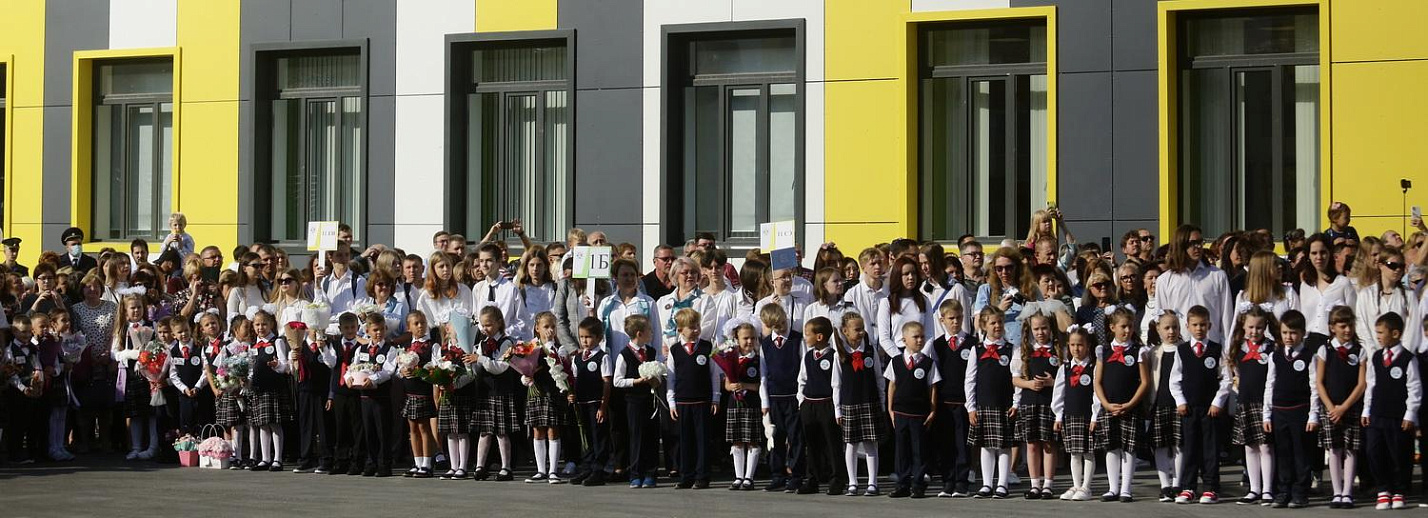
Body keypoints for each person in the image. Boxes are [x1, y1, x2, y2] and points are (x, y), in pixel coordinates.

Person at [1170, 306, 1232, 505]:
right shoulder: (1182, 351)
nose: (1199, 329)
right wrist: (1180, 401)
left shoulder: (1216, 349)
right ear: (1187, 326)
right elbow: (1174, 380)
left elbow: (1226, 379)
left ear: (1209, 326)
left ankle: (1210, 487)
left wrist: (1217, 402)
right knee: (1190, 448)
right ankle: (1188, 487)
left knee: (1210, 449)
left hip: (1210, 409)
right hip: (1189, 409)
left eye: (1203, 325)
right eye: (1195, 325)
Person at [1361, 312, 1420, 510]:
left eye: (1381, 332)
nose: (1377, 336)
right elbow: (1371, 384)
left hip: (1397, 417)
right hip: (1377, 414)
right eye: (1376, 332)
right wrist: (1366, 410)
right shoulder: (1377, 357)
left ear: (1395, 334)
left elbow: (1414, 388)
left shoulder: (1408, 359)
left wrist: (1410, 413)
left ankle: (1399, 490)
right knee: (1374, 451)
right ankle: (1383, 489)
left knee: (1398, 454)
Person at [1262, 310, 1319, 509]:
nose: (1288, 337)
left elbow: (1314, 387)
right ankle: (1283, 490)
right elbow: (1269, 384)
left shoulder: (1309, 356)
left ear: (1303, 333)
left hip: (1300, 410)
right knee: (1283, 452)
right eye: (1285, 332)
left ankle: (1300, 491)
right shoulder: (1275, 356)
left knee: (1301, 452)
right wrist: (1266, 414)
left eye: (1293, 332)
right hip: (1279, 411)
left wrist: (1313, 415)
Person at [1093, 307, 1150, 503]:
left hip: (1130, 408)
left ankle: (1126, 488)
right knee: (1111, 447)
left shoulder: (1138, 351)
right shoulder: (1103, 350)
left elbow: (1145, 382)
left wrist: (1131, 404)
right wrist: (1106, 404)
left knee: (1129, 448)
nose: (1127, 330)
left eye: (1130, 326)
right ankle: (1113, 488)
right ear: (1112, 327)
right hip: (1109, 407)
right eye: (1123, 326)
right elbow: (1097, 382)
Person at [1227, 305, 1277, 506]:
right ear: (1244, 326)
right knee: (1249, 446)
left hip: (1264, 404)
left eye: (1259, 327)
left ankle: (1267, 489)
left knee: (1266, 447)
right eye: (1251, 327)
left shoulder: (1271, 348)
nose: (1254, 331)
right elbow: (1235, 373)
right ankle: (1254, 488)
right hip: (1245, 403)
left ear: (1265, 327)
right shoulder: (1239, 348)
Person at [1316, 305, 1366, 509]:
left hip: (1350, 407)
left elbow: (1361, 384)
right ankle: (1337, 492)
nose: (1347, 330)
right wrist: (1331, 408)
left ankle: (1347, 492)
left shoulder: (1359, 351)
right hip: (1330, 408)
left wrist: (1344, 407)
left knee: (1351, 449)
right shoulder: (1325, 350)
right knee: (1334, 449)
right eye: (1342, 326)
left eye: (1350, 325)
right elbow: (1319, 382)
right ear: (1332, 327)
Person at [665, 308, 719, 489]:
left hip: (702, 401)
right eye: (691, 327)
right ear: (680, 330)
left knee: (702, 440)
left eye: (697, 326)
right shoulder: (674, 350)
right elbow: (671, 378)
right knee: (685, 440)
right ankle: (686, 475)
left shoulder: (707, 347)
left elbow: (714, 375)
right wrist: (671, 402)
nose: (696, 330)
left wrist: (716, 398)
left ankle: (702, 476)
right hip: (682, 402)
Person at [965, 306, 1016, 499]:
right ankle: (987, 484)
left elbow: (1017, 377)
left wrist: (1016, 403)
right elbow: (970, 380)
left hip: (1004, 404)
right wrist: (971, 407)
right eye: (993, 322)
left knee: (1004, 445)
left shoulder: (1011, 349)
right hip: (983, 404)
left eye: (1000, 322)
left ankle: (1002, 483)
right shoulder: (977, 349)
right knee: (986, 445)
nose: (997, 326)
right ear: (984, 325)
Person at [1155, 224, 1234, 344]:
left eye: (1200, 242)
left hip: (1211, 346)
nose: (1198, 247)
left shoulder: (1217, 276)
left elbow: (1227, 317)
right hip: (1179, 346)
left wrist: (1226, 348)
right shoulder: (1165, 280)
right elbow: (1161, 318)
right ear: (1181, 245)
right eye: (1192, 243)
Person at [886, 320, 938, 499]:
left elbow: (932, 387)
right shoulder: (896, 362)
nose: (920, 340)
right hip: (900, 412)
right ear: (904, 340)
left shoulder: (928, 363)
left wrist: (932, 410)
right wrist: (890, 409)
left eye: (922, 337)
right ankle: (902, 484)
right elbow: (892, 385)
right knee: (901, 450)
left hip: (919, 413)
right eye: (915, 337)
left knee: (919, 450)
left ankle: (918, 484)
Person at [1011, 311, 1060, 499]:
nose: (1040, 332)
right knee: (1031, 444)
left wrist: (1052, 382)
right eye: (1036, 329)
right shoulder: (1023, 351)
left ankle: (1048, 484)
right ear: (1030, 330)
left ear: (1050, 328)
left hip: (1050, 403)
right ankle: (1035, 484)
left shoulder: (1058, 350)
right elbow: (1015, 379)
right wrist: (1029, 384)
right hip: (1029, 402)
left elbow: (1065, 378)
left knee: (1048, 444)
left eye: (1044, 328)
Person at [467, 306, 519, 481]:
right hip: (485, 392)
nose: (485, 329)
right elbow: (478, 368)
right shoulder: (482, 344)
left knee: (501, 432)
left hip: (501, 391)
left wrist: (480, 359)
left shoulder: (507, 342)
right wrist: (471, 363)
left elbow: (500, 367)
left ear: (499, 323)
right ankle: (480, 466)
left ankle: (506, 467)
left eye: (488, 325)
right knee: (484, 431)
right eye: (483, 325)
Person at [758, 303, 806, 493]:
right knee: (776, 437)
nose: (782, 328)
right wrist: (764, 401)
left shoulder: (797, 340)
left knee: (796, 438)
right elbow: (763, 374)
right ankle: (777, 475)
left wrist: (801, 396)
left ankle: (796, 475)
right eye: (777, 326)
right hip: (774, 397)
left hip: (793, 397)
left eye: (783, 323)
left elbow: (803, 370)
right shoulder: (765, 345)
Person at [837, 312, 884, 496]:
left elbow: (879, 378)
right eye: (857, 329)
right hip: (849, 403)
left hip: (870, 401)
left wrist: (882, 402)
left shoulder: (870, 350)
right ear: (845, 331)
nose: (861, 332)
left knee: (871, 443)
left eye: (862, 328)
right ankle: (853, 482)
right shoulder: (840, 354)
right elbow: (836, 384)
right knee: (851, 444)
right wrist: (837, 409)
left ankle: (873, 482)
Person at [612, 314, 661, 488]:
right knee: (636, 436)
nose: (652, 333)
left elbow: (659, 374)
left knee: (652, 436)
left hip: (650, 399)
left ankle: (651, 473)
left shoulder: (651, 352)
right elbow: (617, 381)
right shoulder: (624, 354)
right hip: (633, 401)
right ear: (639, 333)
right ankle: (635, 473)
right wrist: (636, 381)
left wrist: (656, 380)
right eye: (649, 330)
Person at [1052, 325, 1099, 501]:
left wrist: (1095, 416)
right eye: (1072, 345)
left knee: (1088, 452)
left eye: (1080, 344)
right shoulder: (1064, 368)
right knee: (1073, 452)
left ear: (1087, 346)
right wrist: (1058, 416)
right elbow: (1059, 393)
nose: (1076, 349)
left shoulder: (1094, 367)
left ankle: (1086, 486)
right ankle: (1076, 485)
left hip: (1087, 416)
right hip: (1070, 415)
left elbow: (1097, 394)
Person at [797, 316, 844, 496]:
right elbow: (802, 379)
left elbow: (836, 383)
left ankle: (837, 479)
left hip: (827, 404)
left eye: (807, 334)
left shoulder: (834, 356)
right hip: (809, 405)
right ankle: (813, 479)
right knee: (812, 444)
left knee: (832, 444)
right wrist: (801, 401)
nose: (805, 337)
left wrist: (836, 407)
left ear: (819, 336)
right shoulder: (808, 356)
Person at [930, 300, 971, 497]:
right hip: (944, 402)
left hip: (964, 401)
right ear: (942, 320)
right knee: (945, 442)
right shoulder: (937, 345)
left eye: (959, 318)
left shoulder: (971, 343)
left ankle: (962, 481)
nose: (955, 322)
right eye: (951, 318)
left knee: (962, 443)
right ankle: (948, 480)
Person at [567, 317, 613, 487]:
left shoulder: (603, 357)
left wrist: (603, 406)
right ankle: (587, 467)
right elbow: (574, 379)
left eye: (588, 337)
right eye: (582, 337)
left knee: (598, 436)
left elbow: (607, 382)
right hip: (582, 404)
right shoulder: (577, 358)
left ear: (598, 338)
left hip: (596, 404)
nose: (584, 341)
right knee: (586, 436)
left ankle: (598, 470)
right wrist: (571, 394)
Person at [1144, 312, 1183, 503]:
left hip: (1179, 405)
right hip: (1159, 404)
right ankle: (1165, 485)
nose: (1171, 331)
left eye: (1175, 327)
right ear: (1158, 329)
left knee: (1179, 444)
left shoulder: (1184, 349)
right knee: (1160, 445)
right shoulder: (1153, 353)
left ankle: (1177, 483)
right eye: (1167, 328)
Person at [723, 319, 763, 491]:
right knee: (737, 440)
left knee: (752, 440)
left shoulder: (758, 360)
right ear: (736, 339)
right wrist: (732, 386)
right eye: (745, 338)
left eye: (752, 338)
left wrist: (745, 386)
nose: (749, 341)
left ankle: (749, 477)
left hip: (751, 403)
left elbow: (761, 385)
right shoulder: (731, 359)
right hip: (734, 403)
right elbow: (726, 384)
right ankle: (738, 476)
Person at [397, 313, 438, 478]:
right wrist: (403, 371)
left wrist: (419, 370)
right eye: (416, 323)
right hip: (410, 392)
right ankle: (417, 462)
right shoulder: (406, 346)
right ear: (409, 327)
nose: (420, 326)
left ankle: (427, 464)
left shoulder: (432, 345)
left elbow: (435, 366)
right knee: (412, 428)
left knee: (423, 428)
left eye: (423, 322)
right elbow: (398, 368)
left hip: (423, 391)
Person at [1355, 247, 1417, 351]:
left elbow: (1412, 329)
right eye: (1392, 265)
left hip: (1401, 355)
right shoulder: (1366, 294)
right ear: (1380, 266)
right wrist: (1373, 353)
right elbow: (1362, 328)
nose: (1397, 269)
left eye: (1401, 266)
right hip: (1373, 354)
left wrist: (1402, 355)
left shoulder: (1409, 295)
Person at [1297, 233, 1356, 340]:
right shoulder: (1305, 286)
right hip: (1308, 342)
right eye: (1314, 253)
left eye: (1323, 252)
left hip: (1333, 343)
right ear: (1308, 256)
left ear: (1330, 253)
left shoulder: (1343, 283)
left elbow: (1353, 316)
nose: (1319, 257)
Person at [975, 247, 1037, 347]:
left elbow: (1042, 316)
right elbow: (978, 325)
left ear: (1017, 267)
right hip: (997, 346)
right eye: (999, 268)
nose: (1004, 272)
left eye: (1009, 267)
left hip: (1025, 344)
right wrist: (999, 310)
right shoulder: (985, 290)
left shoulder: (1030, 287)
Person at [877, 256, 934, 359]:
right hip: (897, 355)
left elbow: (929, 334)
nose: (911, 277)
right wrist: (901, 359)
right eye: (906, 274)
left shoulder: (924, 301)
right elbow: (884, 338)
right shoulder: (887, 303)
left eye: (913, 273)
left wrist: (920, 357)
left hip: (920, 355)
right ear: (898, 276)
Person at [473, 243, 525, 340]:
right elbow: (476, 316)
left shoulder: (510, 289)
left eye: (489, 260)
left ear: (498, 261)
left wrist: (502, 334)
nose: (484, 265)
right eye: (481, 261)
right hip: (483, 340)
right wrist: (483, 331)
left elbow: (521, 320)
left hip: (506, 340)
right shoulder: (478, 288)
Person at [166, 318, 209, 435]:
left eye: (186, 330)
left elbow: (206, 370)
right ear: (173, 335)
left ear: (190, 329)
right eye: (180, 332)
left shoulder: (199, 346)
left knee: (203, 424)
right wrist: (184, 388)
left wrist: (198, 386)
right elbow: (173, 374)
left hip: (201, 392)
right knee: (187, 424)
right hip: (184, 394)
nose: (184, 334)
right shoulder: (173, 351)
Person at [415, 252, 473, 327]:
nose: (446, 269)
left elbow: (471, 316)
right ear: (433, 269)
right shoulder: (426, 297)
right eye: (441, 266)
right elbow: (426, 325)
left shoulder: (464, 290)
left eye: (448, 265)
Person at [842, 248, 888, 340]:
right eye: (873, 264)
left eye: (879, 263)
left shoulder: (889, 292)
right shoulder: (852, 294)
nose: (877, 267)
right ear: (863, 267)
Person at [758, 266, 814, 340]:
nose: (788, 279)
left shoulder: (802, 303)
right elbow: (764, 335)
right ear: (773, 282)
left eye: (789, 276)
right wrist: (774, 312)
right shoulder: (763, 304)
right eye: (783, 277)